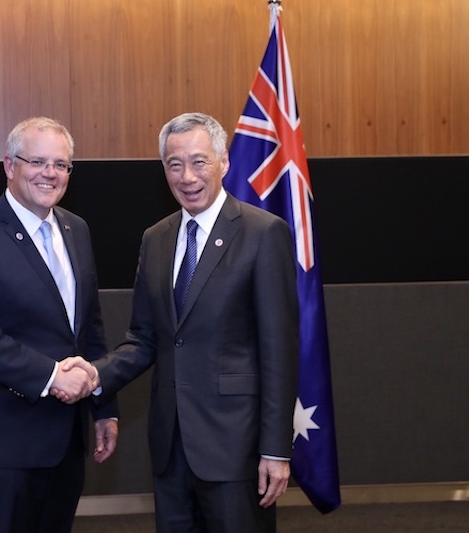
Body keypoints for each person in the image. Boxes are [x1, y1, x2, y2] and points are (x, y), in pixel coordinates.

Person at [62, 112, 298, 532]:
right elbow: (145, 338)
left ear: (223, 162)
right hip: (171, 447)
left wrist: (276, 449)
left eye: (199, 161)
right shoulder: (157, 238)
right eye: (175, 164)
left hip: (235, 447)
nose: (187, 176)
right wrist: (95, 374)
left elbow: (279, 351)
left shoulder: (263, 234)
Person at [0, 116, 119, 533]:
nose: (50, 174)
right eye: (37, 161)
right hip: (2, 439)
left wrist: (103, 405)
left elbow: (88, 326)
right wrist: (51, 374)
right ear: (8, 165)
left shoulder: (77, 229)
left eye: (61, 164)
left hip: (65, 438)